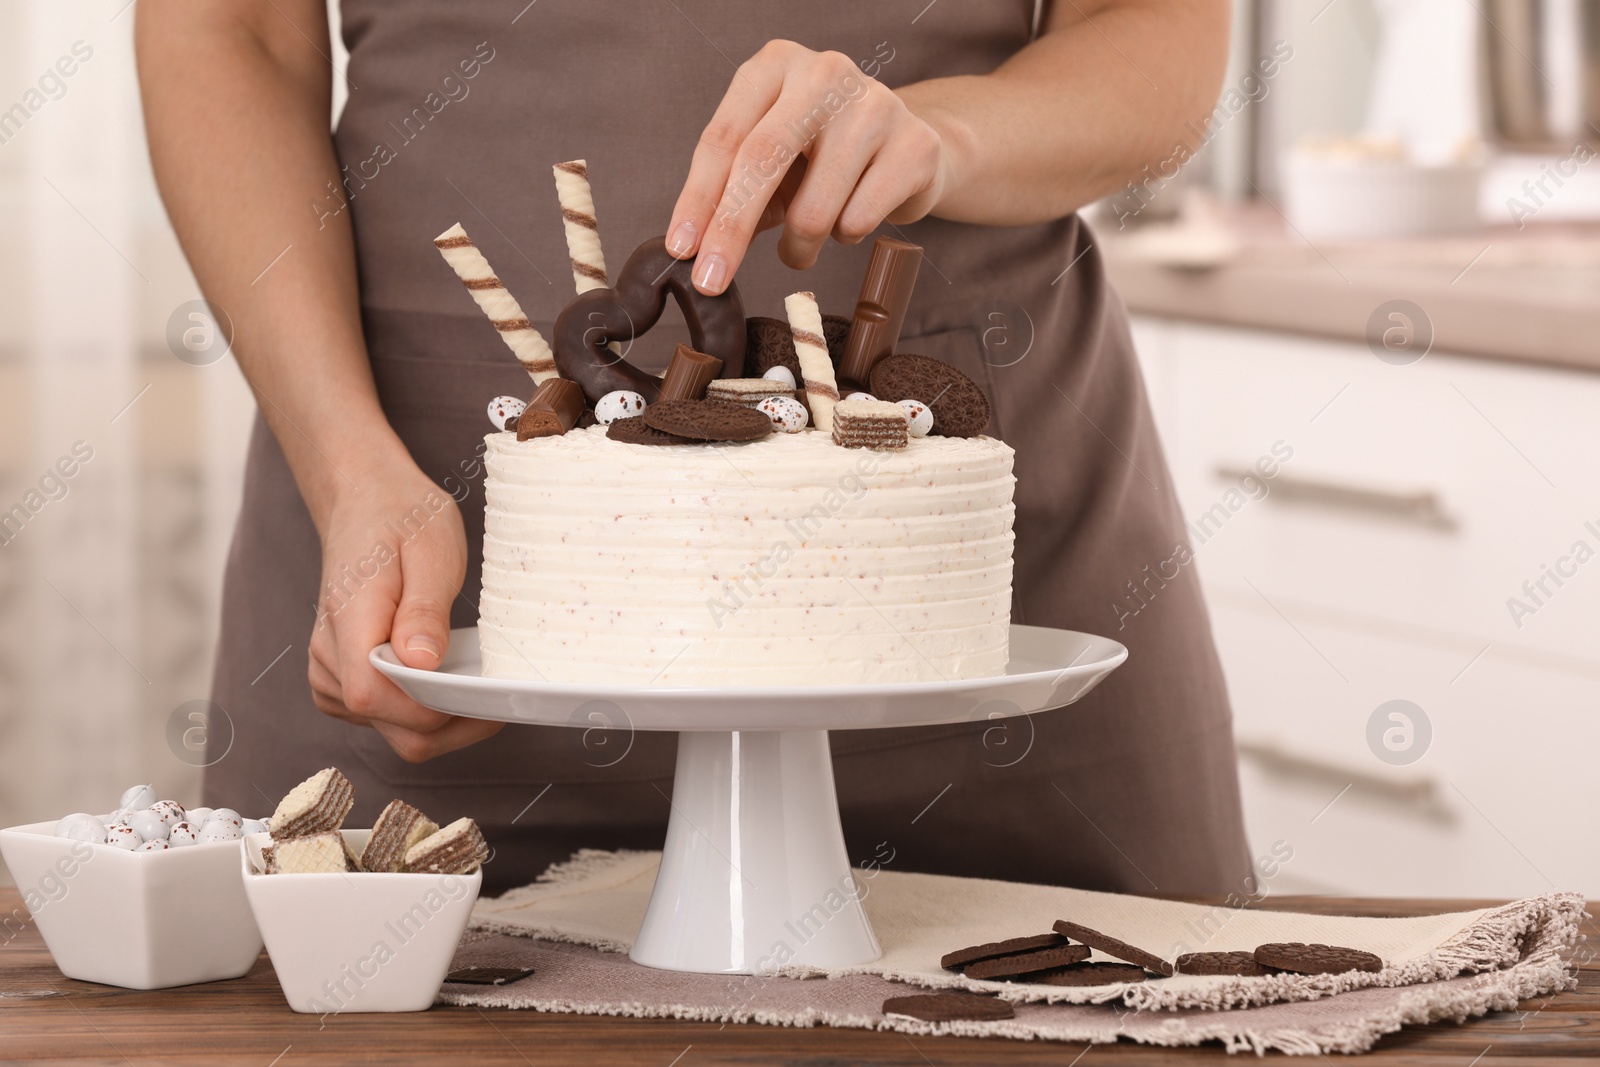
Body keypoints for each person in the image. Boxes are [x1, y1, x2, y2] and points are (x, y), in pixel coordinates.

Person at [137, 0, 1251, 896]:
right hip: (422, 551)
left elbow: (1154, 26)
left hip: (971, 608)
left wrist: (947, 136)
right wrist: (347, 463)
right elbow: (219, 29)